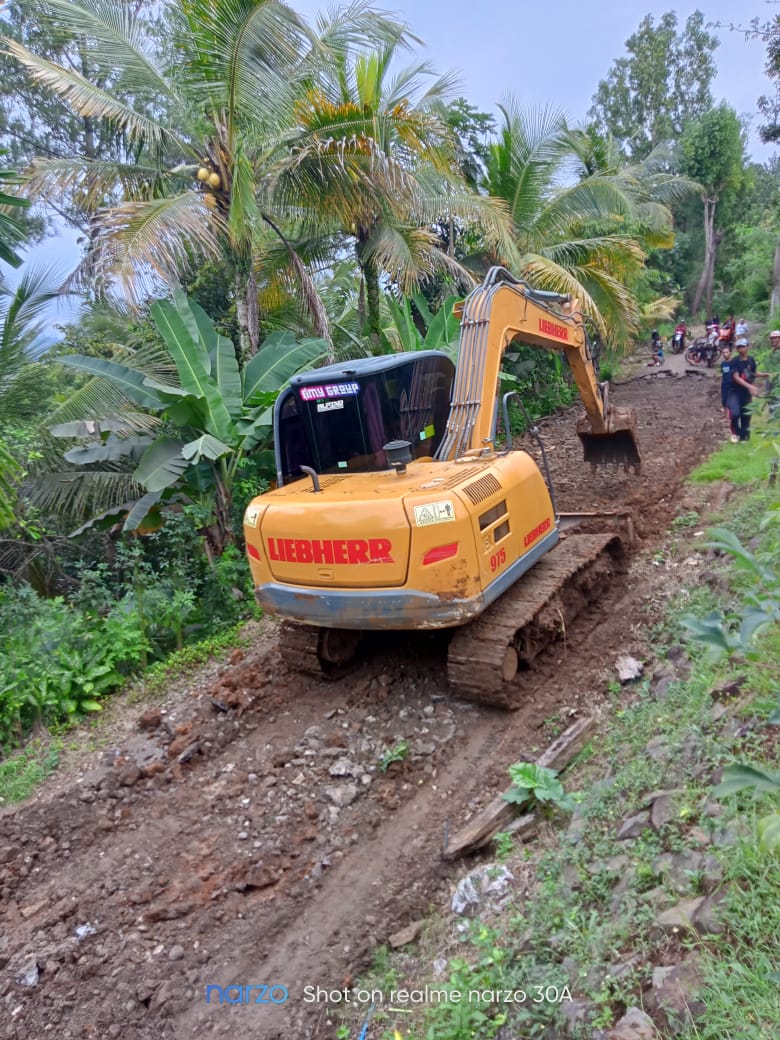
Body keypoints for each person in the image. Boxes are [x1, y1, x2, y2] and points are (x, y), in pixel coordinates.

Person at [728, 338, 763, 442]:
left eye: (743, 346)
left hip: (746, 394)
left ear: (748, 347)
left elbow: (753, 373)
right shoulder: (734, 361)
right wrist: (750, 386)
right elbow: (736, 377)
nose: (741, 349)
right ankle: (737, 433)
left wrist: (767, 374)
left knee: (746, 416)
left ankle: (744, 438)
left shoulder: (751, 360)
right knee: (735, 414)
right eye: (739, 347)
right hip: (735, 392)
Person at [720, 346, 734, 427]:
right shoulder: (723, 363)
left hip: (732, 385)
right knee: (724, 401)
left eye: (726, 352)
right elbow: (723, 374)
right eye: (723, 353)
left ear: (730, 353)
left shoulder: (734, 363)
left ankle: (731, 417)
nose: (725, 354)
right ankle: (726, 417)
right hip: (724, 385)